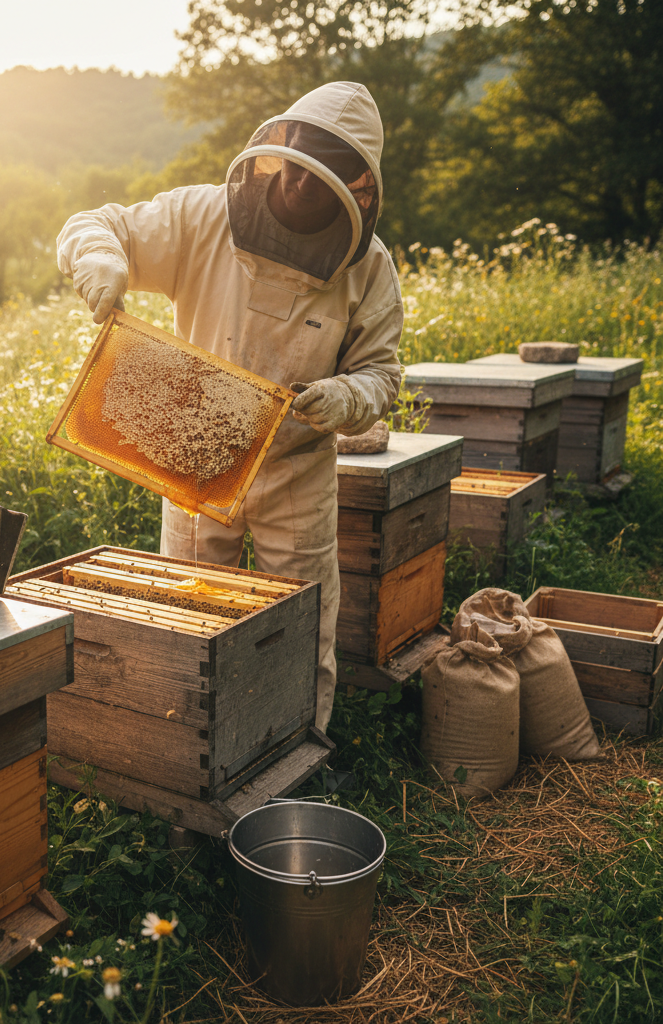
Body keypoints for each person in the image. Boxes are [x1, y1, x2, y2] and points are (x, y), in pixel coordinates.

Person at [56, 81, 403, 731]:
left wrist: (347, 395)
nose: (301, 184)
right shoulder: (202, 216)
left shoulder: (369, 267)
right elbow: (99, 224)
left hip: (295, 467)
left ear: (354, 186)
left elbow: (380, 373)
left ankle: (301, 747)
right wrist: (101, 257)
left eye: (322, 177)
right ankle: (186, 744)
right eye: (297, 165)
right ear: (279, 147)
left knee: (301, 621)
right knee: (187, 613)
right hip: (194, 454)